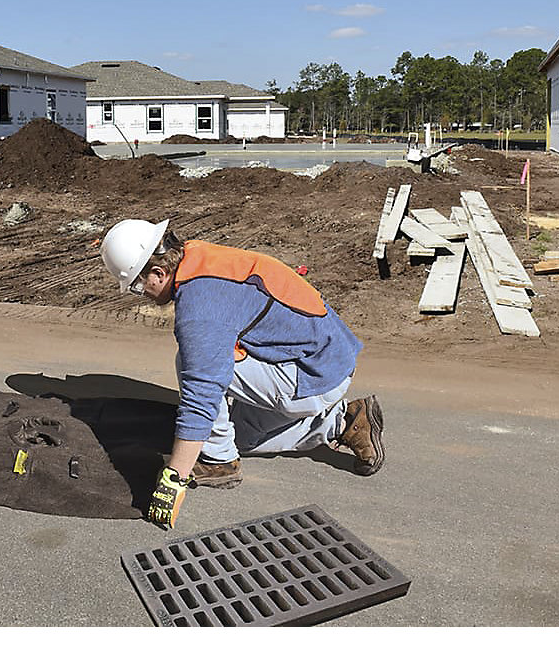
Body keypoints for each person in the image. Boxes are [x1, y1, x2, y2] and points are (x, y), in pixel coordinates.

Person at [99, 218, 383, 529]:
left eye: (139, 287)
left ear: (158, 272)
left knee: (194, 365)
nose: (143, 295)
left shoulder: (200, 307)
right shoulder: (197, 256)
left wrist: (174, 478)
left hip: (313, 373)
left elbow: (201, 394)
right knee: (242, 438)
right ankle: (343, 422)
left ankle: (221, 462)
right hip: (324, 356)